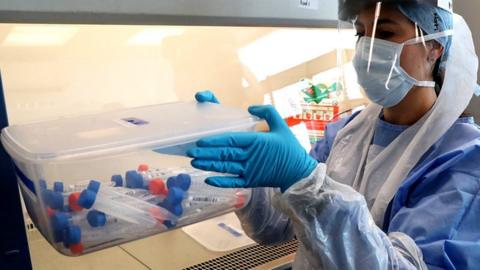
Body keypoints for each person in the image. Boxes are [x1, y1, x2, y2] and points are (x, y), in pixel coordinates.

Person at [188, 1, 480, 269]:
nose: (367, 47)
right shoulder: (347, 133)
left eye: (386, 32)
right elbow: (276, 225)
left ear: (435, 46)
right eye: (360, 34)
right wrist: (253, 180)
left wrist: (307, 184)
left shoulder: (464, 160)